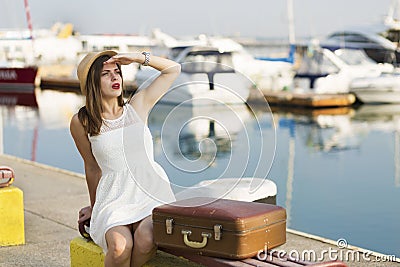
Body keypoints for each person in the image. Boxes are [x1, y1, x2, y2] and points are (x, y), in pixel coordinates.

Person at [70, 50, 181, 267]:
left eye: (117, 72)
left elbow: (173, 70)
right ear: (93, 82)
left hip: (151, 194)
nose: (114, 78)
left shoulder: (137, 106)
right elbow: (92, 168)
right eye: (105, 74)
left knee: (145, 240)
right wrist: (95, 207)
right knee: (120, 247)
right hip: (113, 200)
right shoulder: (81, 122)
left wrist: (139, 58)